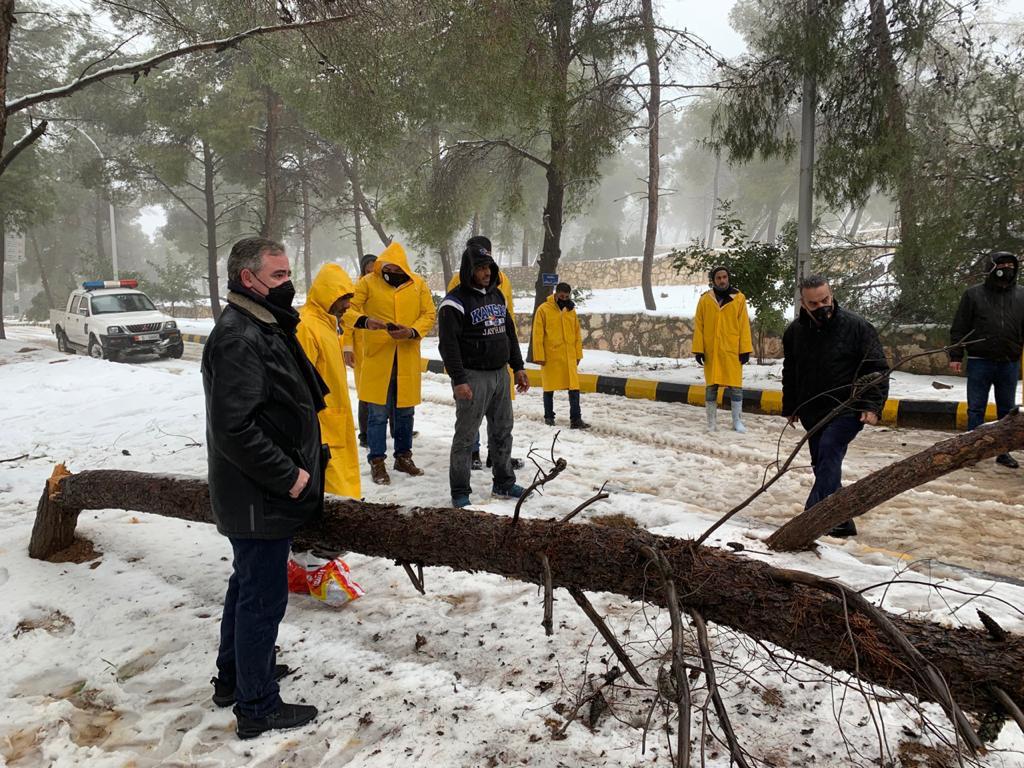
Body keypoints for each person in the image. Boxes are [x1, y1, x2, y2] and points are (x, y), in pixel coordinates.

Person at [202, 237, 325, 739]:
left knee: (247, 586)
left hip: (258, 494)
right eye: (278, 276)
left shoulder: (261, 322)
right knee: (262, 599)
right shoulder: (239, 336)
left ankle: (235, 678)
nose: (288, 284)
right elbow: (235, 427)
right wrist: (288, 474)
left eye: (288, 273)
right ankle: (257, 707)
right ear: (247, 279)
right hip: (259, 495)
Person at [781, 275, 889, 538]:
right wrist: (791, 405)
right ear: (803, 303)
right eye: (814, 303)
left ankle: (809, 519)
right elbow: (791, 370)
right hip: (813, 409)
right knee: (822, 462)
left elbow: (876, 369)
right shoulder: (795, 332)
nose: (822, 307)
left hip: (847, 408)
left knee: (830, 448)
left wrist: (872, 405)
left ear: (832, 295)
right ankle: (842, 521)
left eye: (825, 300)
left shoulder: (857, 327)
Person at [438, 240, 530, 507]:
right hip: (473, 377)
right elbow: (448, 346)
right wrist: (459, 380)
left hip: (500, 374)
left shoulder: (497, 296)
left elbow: (509, 333)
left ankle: (504, 482)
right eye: (480, 268)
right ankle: (460, 492)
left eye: (489, 266)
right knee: (466, 436)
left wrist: (518, 366)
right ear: (469, 270)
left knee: (503, 430)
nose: (487, 272)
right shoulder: (454, 303)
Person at [347, 241, 436, 485]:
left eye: (397, 269)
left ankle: (403, 457)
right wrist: (366, 321)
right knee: (377, 414)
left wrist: (412, 331)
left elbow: (429, 314)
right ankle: (377, 461)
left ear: (404, 268)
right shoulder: (367, 283)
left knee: (406, 412)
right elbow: (348, 309)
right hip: (377, 357)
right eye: (387, 269)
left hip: (406, 356)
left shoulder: (418, 284)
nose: (392, 273)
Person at [949, 251, 1024, 468]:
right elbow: (960, 326)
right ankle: (971, 452)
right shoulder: (973, 295)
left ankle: (1003, 452)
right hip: (979, 360)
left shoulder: (1021, 295)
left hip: (1009, 362)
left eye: (1011, 266)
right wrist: (956, 355)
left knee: (1007, 411)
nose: (1007, 269)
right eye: (1002, 265)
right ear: (991, 267)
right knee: (976, 408)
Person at [297, 262, 361, 499]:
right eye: (342, 298)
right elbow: (300, 385)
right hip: (322, 430)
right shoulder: (306, 327)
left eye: (349, 297)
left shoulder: (327, 324)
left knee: (342, 493)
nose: (347, 304)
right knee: (334, 495)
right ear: (327, 295)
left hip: (334, 424)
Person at [693, 266, 753, 433]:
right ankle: (711, 422)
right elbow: (699, 325)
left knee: (735, 387)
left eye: (724, 277)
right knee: (711, 387)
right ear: (713, 280)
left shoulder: (739, 298)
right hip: (712, 351)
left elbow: (744, 325)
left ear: (728, 278)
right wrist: (699, 349)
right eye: (718, 278)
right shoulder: (705, 300)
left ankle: (737, 421)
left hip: (731, 350)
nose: (722, 280)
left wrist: (745, 349)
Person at [532, 282, 589, 428]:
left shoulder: (570, 310)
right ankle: (549, 417)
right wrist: (539, 355)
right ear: (556, 294)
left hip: (569, 356)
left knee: (574, 389)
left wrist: (578, 354)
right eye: (561, 296)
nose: (564, 299)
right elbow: (537, 334)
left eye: (566, 297)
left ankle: (576, 419)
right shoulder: (543, 309)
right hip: (551, 356)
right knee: (549, 388)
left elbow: (577, 333)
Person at [346, 254, 376, 448]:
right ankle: (364, 434)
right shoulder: (356, 291)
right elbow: (348, 321)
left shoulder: (383, 289)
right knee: (365, 393)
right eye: (368, 270)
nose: (371, 273)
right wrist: (347, 348)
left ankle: (394, 428)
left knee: (389, 390)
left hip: (380, 347)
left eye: (374, 270)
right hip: (362, 349)